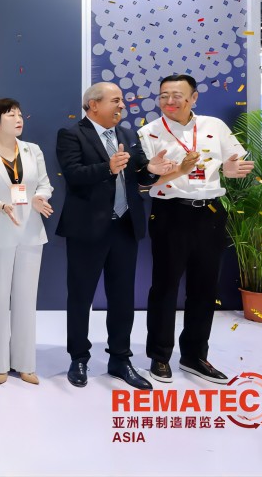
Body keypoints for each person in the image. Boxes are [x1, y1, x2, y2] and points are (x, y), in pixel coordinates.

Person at [55, 81, 174, 390]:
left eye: (121, 101)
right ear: (94, 104)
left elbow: (139, 174)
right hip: (87, 230)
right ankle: (78, 358)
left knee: (122, 298)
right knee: (80, 297)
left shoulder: (127, 135)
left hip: (124, 227)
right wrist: (107, 168)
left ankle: (120, 358)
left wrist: (152, 169)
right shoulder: (71, 134)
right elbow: (73, 176)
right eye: (115, 100)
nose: (122, 106)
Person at [138, 74, 252, 385]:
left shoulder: (215, 126)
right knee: (164, 287)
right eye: (164, 95)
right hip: (170, 213)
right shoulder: (149, 132)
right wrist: (176, 170)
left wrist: (232, 170)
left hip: (210, 214)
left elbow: (234, 162)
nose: (169, 101)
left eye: (177, 95)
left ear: (194, 98)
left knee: (204, 288)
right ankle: (159, 356)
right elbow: (145, 182)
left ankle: (194, 355)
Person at [0, 98, 53, 386]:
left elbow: (44, 183)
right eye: (11, 115)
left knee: (26, 299)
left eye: (19, 114)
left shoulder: (33, 150)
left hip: (30, 231)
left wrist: (40, 197)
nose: (18, 119)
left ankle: (25, 363)